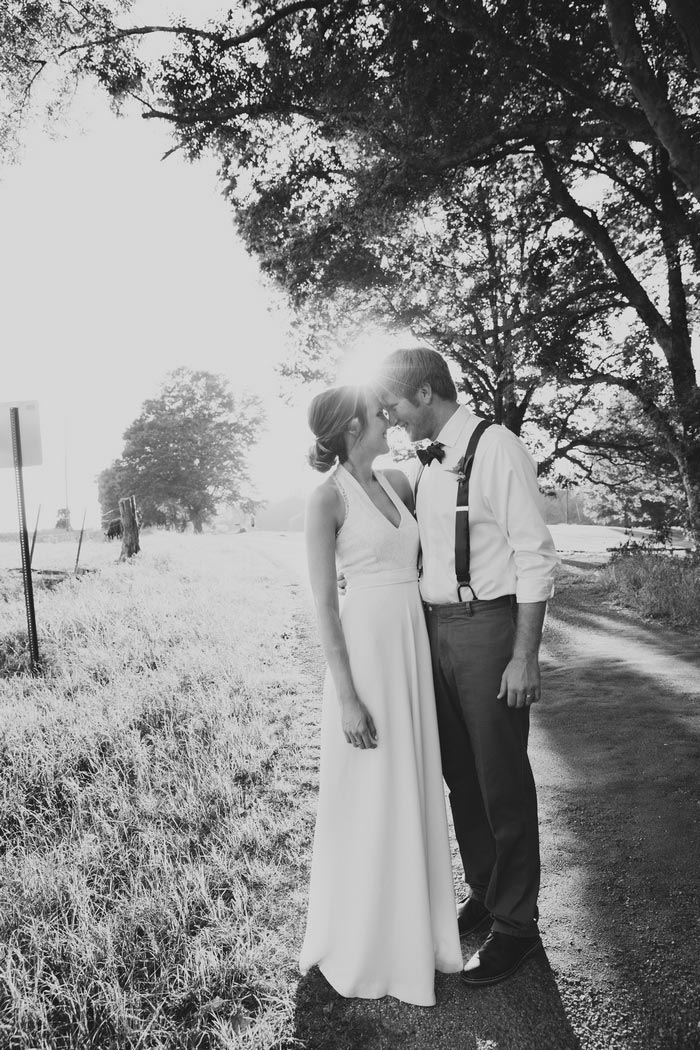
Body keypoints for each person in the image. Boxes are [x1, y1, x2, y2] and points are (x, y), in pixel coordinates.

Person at [377, 347, 559, 987]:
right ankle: (486, 891)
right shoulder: (426, 465)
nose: (392, 418)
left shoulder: (498, 446)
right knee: (460, 776)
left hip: (487, 630)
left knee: (501, 779)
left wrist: (523, 654)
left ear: (425, 393)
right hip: (434, 631)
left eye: (395, 406)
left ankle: (517, 926)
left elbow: (535, 555)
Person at [299, 384, 463, 1007]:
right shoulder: (325, 501)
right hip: (366, 658)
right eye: (377, 415)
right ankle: (369, 942)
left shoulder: (398, 480)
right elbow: (323, 605)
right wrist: (347, 697)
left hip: (411, 646)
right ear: (350, 429)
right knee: (371, 792)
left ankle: (420, 931)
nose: (387, 419)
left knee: (414, 783)